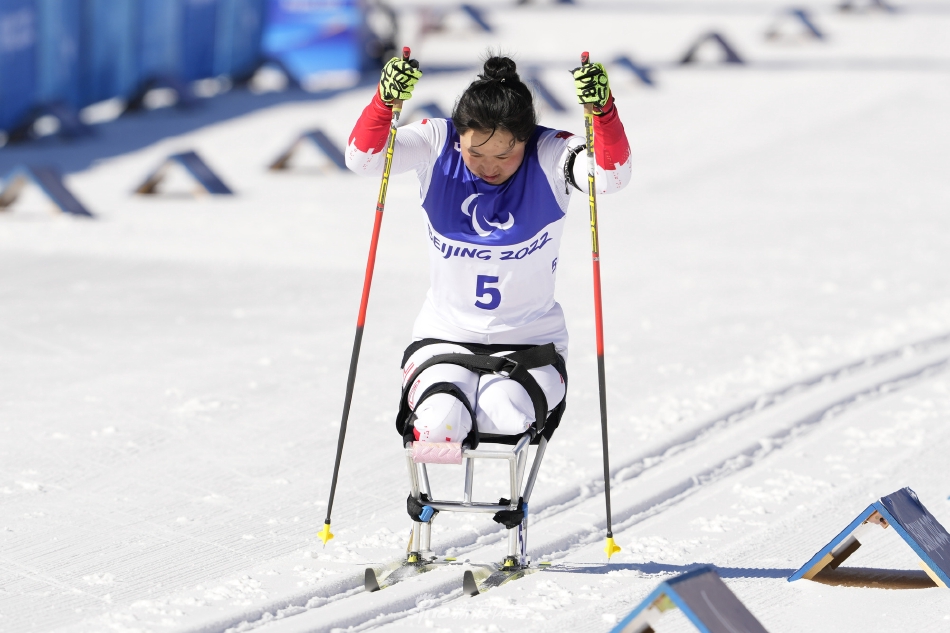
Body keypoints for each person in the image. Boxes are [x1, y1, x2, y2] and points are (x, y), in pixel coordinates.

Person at [345, 54, 631, 446]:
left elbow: (611, 178)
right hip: (445, 334)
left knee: (504, 415)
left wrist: (603, 112)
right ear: (459, 133)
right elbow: (363, 160)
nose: (488, 167)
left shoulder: (550, 152)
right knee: (437, 426)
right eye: (475, 153)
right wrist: (383, 102)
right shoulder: (435, 140)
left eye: (504, 155)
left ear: (525, 140)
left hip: (530, 339)